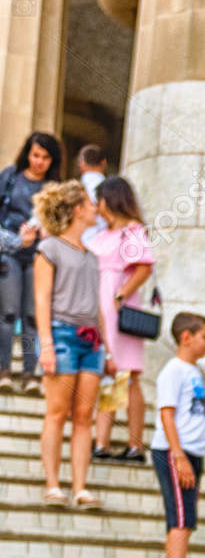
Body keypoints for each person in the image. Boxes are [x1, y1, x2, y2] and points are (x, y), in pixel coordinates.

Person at [33, 179, 112, 510]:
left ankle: (80, 487)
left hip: (91, 341)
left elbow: (97, 306)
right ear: (78, 209)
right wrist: (46, 345)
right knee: (56, 413)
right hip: (61, 334)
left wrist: (107, 348)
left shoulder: (92, 257)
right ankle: (53, 484)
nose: (96, 208)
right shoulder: (48, 248)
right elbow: (41, 298)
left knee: (84, 417)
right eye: (91, 203)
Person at [88, 175, 155, 465]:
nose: (96, 206)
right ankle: (101, 441)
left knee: (128, 376)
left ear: (108, 200)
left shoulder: (132, 231)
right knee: (110, 373)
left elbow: (143, 268)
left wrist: (120, 295)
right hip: (99, 308)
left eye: (98, 199)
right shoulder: (102, 236)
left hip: (120, 308)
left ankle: (135, 445)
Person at [150, 311, 205, 558]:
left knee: (186, 519)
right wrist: (179, 455)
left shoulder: (192, 371)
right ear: (186, 338)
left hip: (192, 453)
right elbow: (166, 413)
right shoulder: (173, 370)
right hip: (176, 452)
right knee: (180, 518)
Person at [0, 129, 63, 394]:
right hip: (9, 254)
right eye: (36, 155)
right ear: (28, 153)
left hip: (39, 257)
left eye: (45, 157)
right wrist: (17, 241)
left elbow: (61, 226)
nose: (39, 162)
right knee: (7, 313)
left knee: (32, 317)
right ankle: (3, 369)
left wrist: (47, 233)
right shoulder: (10, 177)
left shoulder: (54, 188)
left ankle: (30, 372)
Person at [77, 145, 107, 244]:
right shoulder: (117, 190)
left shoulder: (73, 190)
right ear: (104, 162)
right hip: (107, 247)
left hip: (77, 246)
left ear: (81, 164)